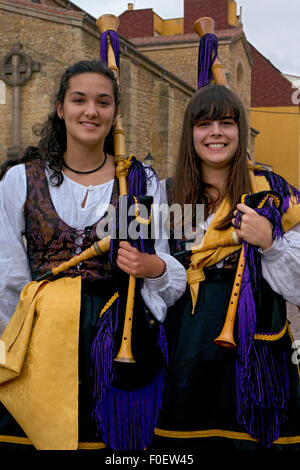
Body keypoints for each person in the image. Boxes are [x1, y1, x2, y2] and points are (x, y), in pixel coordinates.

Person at [0, 59, 187, 451]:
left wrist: (152, 268)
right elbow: (8, 275)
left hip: (117, 341)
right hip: (40, 344)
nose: (90, 111)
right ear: (60, 108)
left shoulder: (139, 182)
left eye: (103, 102)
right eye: (79, 100)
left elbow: (165, 269)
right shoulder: (21, 180)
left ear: (115, 112)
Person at [152, 84, 300, 451]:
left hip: (257, 355)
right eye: (204, 123)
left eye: (226, 122)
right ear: (190, 133)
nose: (215, 132)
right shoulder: (164, 194)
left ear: (240, 129)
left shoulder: (274, 191)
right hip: (185, 350)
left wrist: (269, 241)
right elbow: (154, 287)